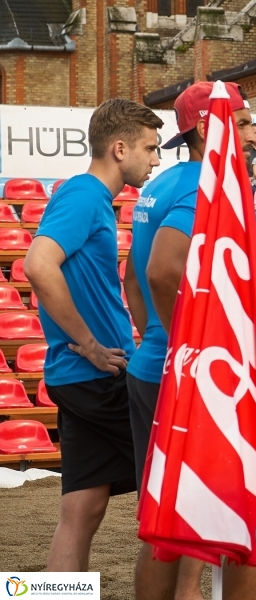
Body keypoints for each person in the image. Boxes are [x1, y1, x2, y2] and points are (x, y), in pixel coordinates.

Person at [124, 81, 256, 600]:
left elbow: (132, 276)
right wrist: (185, 343)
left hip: (155, 364)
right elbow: (161, 270)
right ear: (209, 127)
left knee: (171, 524)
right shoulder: (203, 181)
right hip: (184, 372)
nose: (254, 134)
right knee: (180, 527)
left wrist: (154, 334)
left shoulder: (165, 183)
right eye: (245, 122)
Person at [23, 99, 163, 572]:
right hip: (95, 375)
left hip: (81, 374)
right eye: (150, 148)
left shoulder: (93, 198)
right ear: (119, 148)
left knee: (82, 509)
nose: (157, 159)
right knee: (175, 488)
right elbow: (37, 265)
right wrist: (86, 342)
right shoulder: (83, 194)